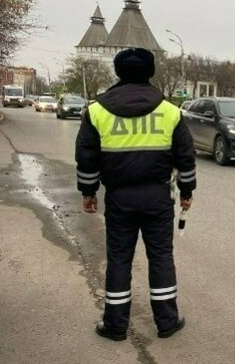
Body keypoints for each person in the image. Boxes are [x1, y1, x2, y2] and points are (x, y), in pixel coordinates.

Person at [75, 48, 196, 341]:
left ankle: (115, 325)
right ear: (150, 72)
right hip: (157, 199)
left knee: (119, 259)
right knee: (161, 257)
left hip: (119, 199)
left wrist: (89, 192)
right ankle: (167, 321)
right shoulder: (169, 111)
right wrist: (186, 191)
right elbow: (185, 156)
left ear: (118, 72)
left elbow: (87, 158)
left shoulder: (97, 111)